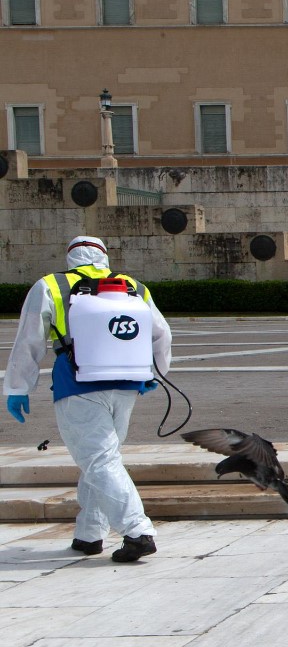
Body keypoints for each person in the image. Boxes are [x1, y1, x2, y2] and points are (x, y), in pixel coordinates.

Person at [5, 236, 172, 560]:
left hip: (78, 383)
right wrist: (155, 373)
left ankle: (138, 531)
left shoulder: (52, 285)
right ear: (104, 258)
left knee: (99, 460)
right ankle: (89, 534)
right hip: (126, 385)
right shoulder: (132, 286)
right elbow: (161, 332)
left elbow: (29, 339)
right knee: (101, 458)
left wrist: (17, 387)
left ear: (71, 258)